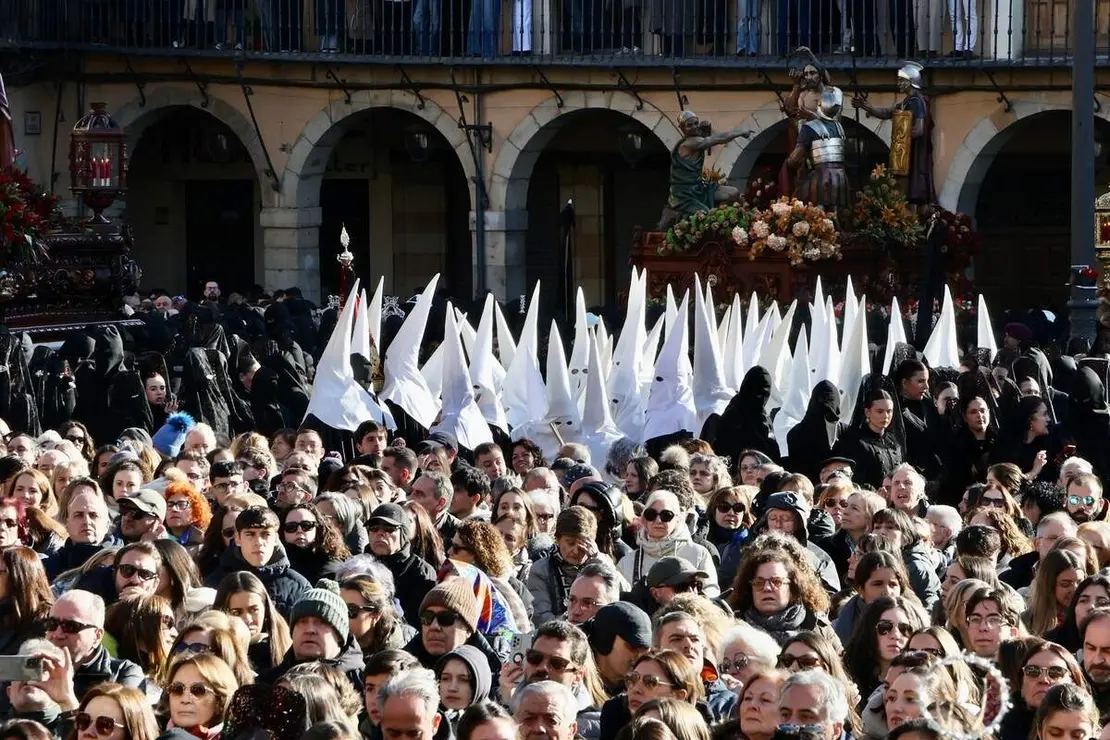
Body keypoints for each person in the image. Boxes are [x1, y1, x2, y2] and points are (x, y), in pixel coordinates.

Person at [657, 111, 752, 229]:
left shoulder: (696, 138)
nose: (694, 127)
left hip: (699, 188)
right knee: (707, 216)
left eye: (696, 123)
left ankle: (734, 223)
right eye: (689, 125)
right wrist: (740, 132)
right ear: (682, 128)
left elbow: (708, 137)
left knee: (733, 193)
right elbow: (718, 138)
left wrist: (703, 131)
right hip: (684, 194)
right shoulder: (688, 144)